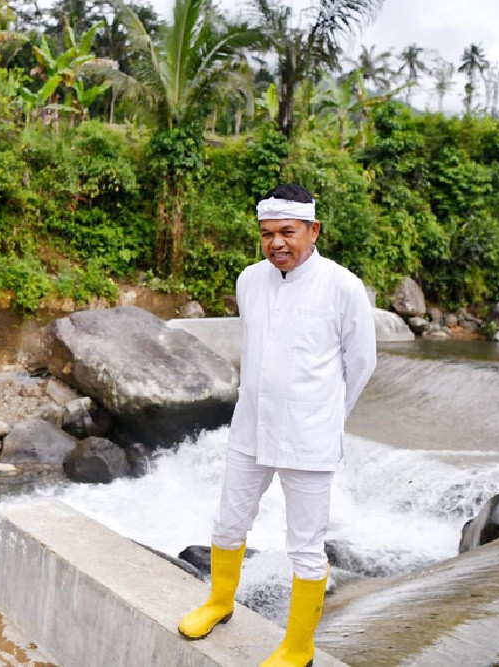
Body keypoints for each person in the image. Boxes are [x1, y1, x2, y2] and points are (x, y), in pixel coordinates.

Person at [177, 183, 377, 667]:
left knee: (305, 547)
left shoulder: (343, 286)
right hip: (250, 427)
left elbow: (362, 363)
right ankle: (219, 602)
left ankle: (298, 647)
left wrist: (325, 416)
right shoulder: (250, 280)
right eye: (267, 234)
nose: (276, 244)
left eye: (287, 232)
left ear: (313, 230)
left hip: (309, 438)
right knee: (228, 524)